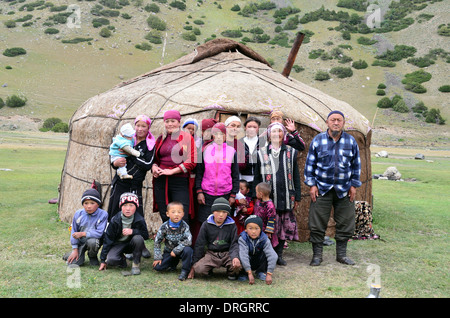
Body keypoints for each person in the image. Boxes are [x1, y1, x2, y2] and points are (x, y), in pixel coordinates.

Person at [304, 110, 361, 266]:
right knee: (317, 223)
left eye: (339, 120)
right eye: (333, 120)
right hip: (322, 188)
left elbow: (356, 165)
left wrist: (354, 185)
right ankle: (317, 256)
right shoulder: (318, 140)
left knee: (345, 222)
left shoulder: (351, 141)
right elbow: (310, 165)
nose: (336, 122)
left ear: (343, 123)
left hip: (344, 188)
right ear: (327, 122)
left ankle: (341, 255)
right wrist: (312, 185)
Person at [253, 122, 301, 266]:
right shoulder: (261, 153)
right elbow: (256, 176)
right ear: (268, 134)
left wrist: (297, 196)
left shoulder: (291, 152)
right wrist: (257, 194)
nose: (276, 134)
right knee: (269, 226)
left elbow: (296, 175)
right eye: (273, 131)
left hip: (286, 195)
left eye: (279, 131)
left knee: (282, 228)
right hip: (267, 197)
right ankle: (268, 254)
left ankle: (279, 255)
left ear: (283, 134)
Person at [152, 110, 197, 223]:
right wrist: (154, 167)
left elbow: (191, 161)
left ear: (179, 122)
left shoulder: (186, 138)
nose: (170, 124)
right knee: (164, 212)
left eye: (173, 121)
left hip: (179, 181)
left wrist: (172, 171)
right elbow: (155, 159)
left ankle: (182, 240)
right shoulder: (161, 138)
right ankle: (169, 239)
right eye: (167, 121)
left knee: (181, 212)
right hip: (161, 180)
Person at [108, 115, 155, 221]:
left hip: (135, 184)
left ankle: (134, 236)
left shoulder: (149, 145)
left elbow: (147, 164)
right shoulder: (126, 139)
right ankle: (112, 235)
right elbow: (114, 154)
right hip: (120, 182)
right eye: (138, 125)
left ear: (148, 128)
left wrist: (130, 155)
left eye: (144, 126)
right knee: (115, 210)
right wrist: (115, 163)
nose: (140, 129)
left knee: (135, 215)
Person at [195, 122, 239, 224]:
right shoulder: (205, 150)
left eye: (222, 134)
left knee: (223, 223)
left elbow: (235, 174)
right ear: (213, 135)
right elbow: (199, 173)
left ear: (225, 136)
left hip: (225, 194)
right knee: (205, 222)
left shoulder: (232, 152)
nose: (219, 137)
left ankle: (222, 241)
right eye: (216, 134)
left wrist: (233, 195)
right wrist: (199, 191)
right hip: (207, 194)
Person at [188, 197, 241, 280]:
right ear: (213, 212)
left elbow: (234, 243)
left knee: (238, 265)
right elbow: (200, 244)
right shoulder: (206, 224)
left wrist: (235, 257)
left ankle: (231, 273)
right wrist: (193, 266)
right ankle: (209, 271)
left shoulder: (232, 225)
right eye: (218, 211)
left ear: (227, 213)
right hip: (212, 254)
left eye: (224, 212)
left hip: (227, 253)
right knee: (199, 268)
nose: (221, 215)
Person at [99, 192, 149, 275]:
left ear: (136, 207)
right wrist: (103, 260)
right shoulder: (115, 220)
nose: (128, 209)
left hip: (131, 244)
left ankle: (136, 264)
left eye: (131, 205)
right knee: (111, 260)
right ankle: (122, 260)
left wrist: (133, 231)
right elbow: (108, 239)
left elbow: (145, 235)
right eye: (125, 205)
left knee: (138, 238)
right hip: (118, 244)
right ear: (121, 206)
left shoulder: (139, 219)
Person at [65, 189, 108, 266]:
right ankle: (72, 253)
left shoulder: (103, 214)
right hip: (81, 242)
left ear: (98, 204)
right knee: (74, 263)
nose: (89, 206)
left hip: (94, 241)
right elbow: (74, 231)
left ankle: (92, 256)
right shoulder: (78, 214)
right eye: (86, 203)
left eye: (92, 203)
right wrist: (75, 249)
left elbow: (99, 233)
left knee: (92, 242)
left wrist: (83, 234)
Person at [153, 201, 193, 281]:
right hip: (169, 251)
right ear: (167, 214)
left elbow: (189, 240)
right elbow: (157, 241)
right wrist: (157, 257)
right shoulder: (164, 227)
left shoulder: (185, 226)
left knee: (188, 250)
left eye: (179, 212)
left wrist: (176, 250)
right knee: (158, 267)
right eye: (173, 212)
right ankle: (173, 263)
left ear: (183, 214)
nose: (176, 214)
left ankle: (185, 271)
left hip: (181, 251)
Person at [238, 215, 277, 285]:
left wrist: (269, 274)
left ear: (261, 229)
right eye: (250, 228)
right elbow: (243, 256)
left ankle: (261, 271)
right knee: (240, 254)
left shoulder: (264, 238)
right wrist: (249, 273)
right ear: (245, 229)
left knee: (266, 253)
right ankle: (243, 273)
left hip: (258, 260)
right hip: (247, 259)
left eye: (256, 228)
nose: (253, 231)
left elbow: (273, 255)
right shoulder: (242, 238)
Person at [240, 116, 262, 198]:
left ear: (258, 128)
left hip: (259, 181)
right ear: (245, 128)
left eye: (254, 127)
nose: (252, 129)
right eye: (249, 126)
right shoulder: (240, 143)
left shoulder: (263, 142)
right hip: (243, 182)